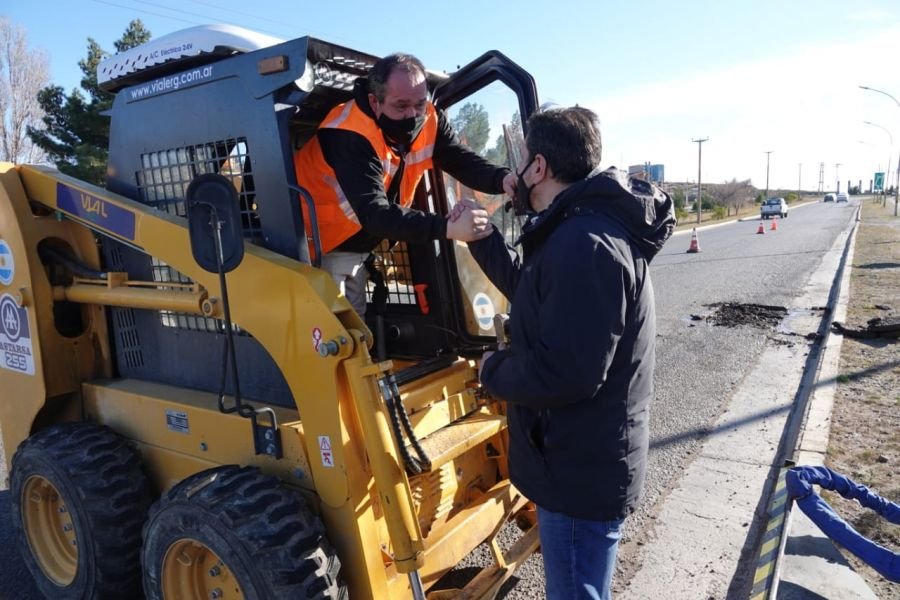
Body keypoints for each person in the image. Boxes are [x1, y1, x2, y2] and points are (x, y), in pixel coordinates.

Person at [466, 106, 675, 599]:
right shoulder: (579, 229)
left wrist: (492, 370)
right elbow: (536, 291)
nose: (511, 173)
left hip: (579, 473)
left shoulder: (584, 244)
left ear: (538, 167)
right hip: (578, 462)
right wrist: (482, 239)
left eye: (518, 160)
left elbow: (568, 374)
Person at [294, 52, 516, 315]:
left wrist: (504, 179)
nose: (413, 115)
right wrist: (448, 227)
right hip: (315, 246)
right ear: (375, 102)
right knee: (339, 340)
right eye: (401, 106)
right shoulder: (348, 135)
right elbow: (375, 212)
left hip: (360, 247)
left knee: (358, 332)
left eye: (419, 104)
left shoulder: (429, 119)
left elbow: (458, 158)